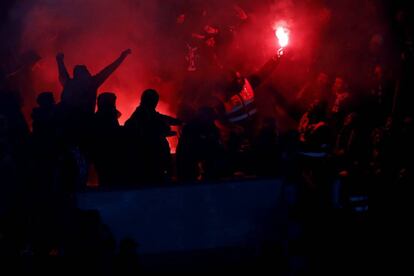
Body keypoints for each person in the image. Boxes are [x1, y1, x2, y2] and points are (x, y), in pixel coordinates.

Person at [124, 89, 181, 183]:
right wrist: (163, 131)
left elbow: (160, 118)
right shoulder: (141, 115)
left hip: (152, 159)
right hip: (149, 159)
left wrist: (177, 122)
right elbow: (148, 133)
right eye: (154, 101)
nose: (155, 103)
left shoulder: (147, 113)